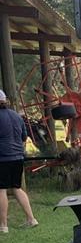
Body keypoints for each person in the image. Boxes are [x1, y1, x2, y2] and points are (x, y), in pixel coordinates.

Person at [0, 89, 38, 232]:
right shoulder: (17, 116)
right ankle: (31, 219)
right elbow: (23, 137)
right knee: (17, 188)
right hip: (18, 157)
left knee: (1, 189)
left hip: (3, 158)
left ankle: (3, 226)